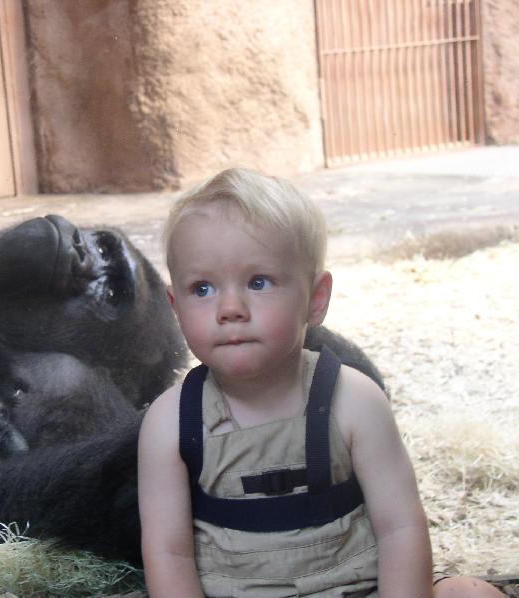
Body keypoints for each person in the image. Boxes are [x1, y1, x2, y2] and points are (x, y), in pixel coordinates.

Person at [137, 168, 502, 597]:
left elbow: (400, 526)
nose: (230, 308)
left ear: (316, 299)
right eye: (202, 289)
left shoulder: (354, 401)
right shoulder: (170, 423)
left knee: (471, 593)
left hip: (357, 588)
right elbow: (168, 554)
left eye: (258, 282)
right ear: (174, 307)